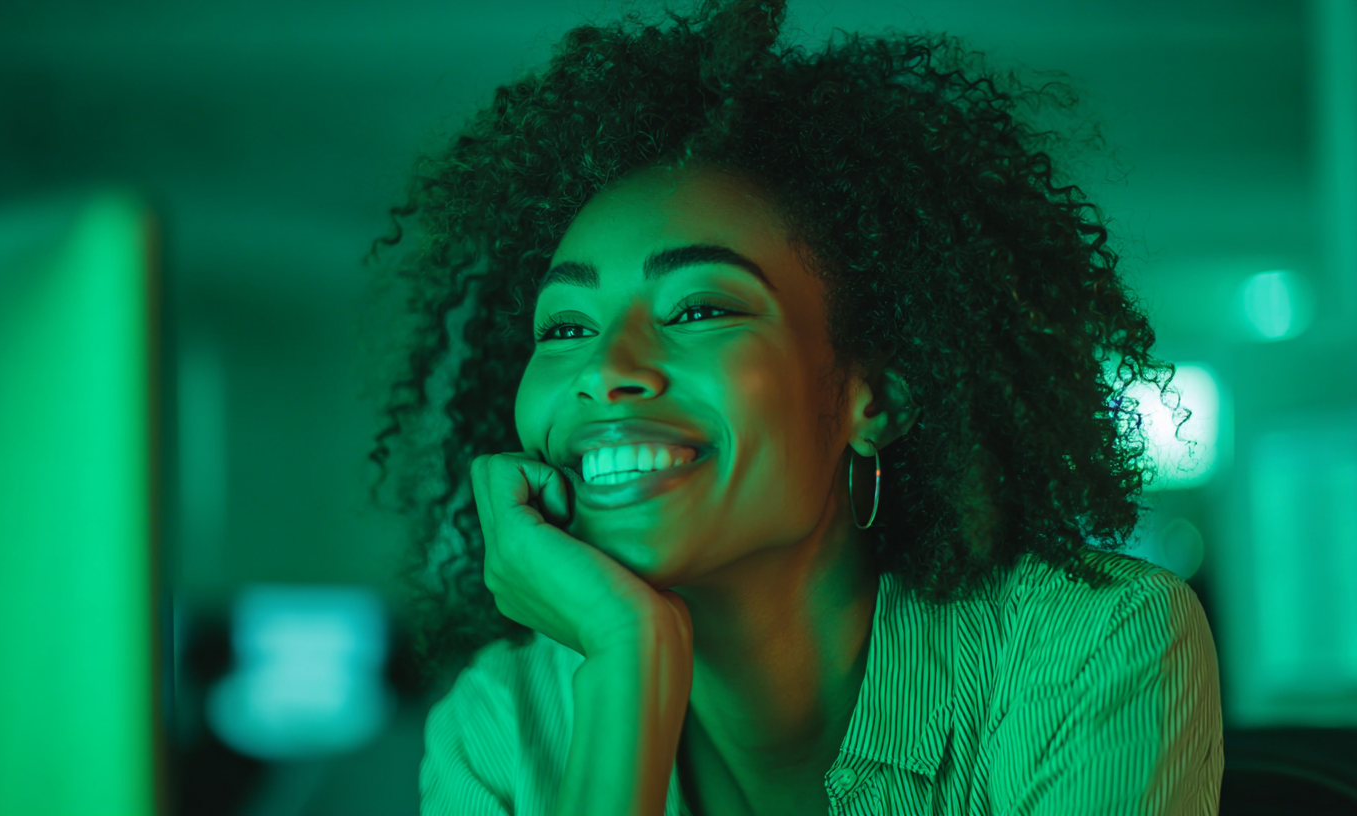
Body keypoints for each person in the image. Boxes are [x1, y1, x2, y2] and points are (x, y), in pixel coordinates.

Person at [364, 1, 1223, 813]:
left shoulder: (1086, 648)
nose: (604, 369)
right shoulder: (501, 718)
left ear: (875, 399)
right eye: (564, 326)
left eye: (700, 309)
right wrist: (628, 666)